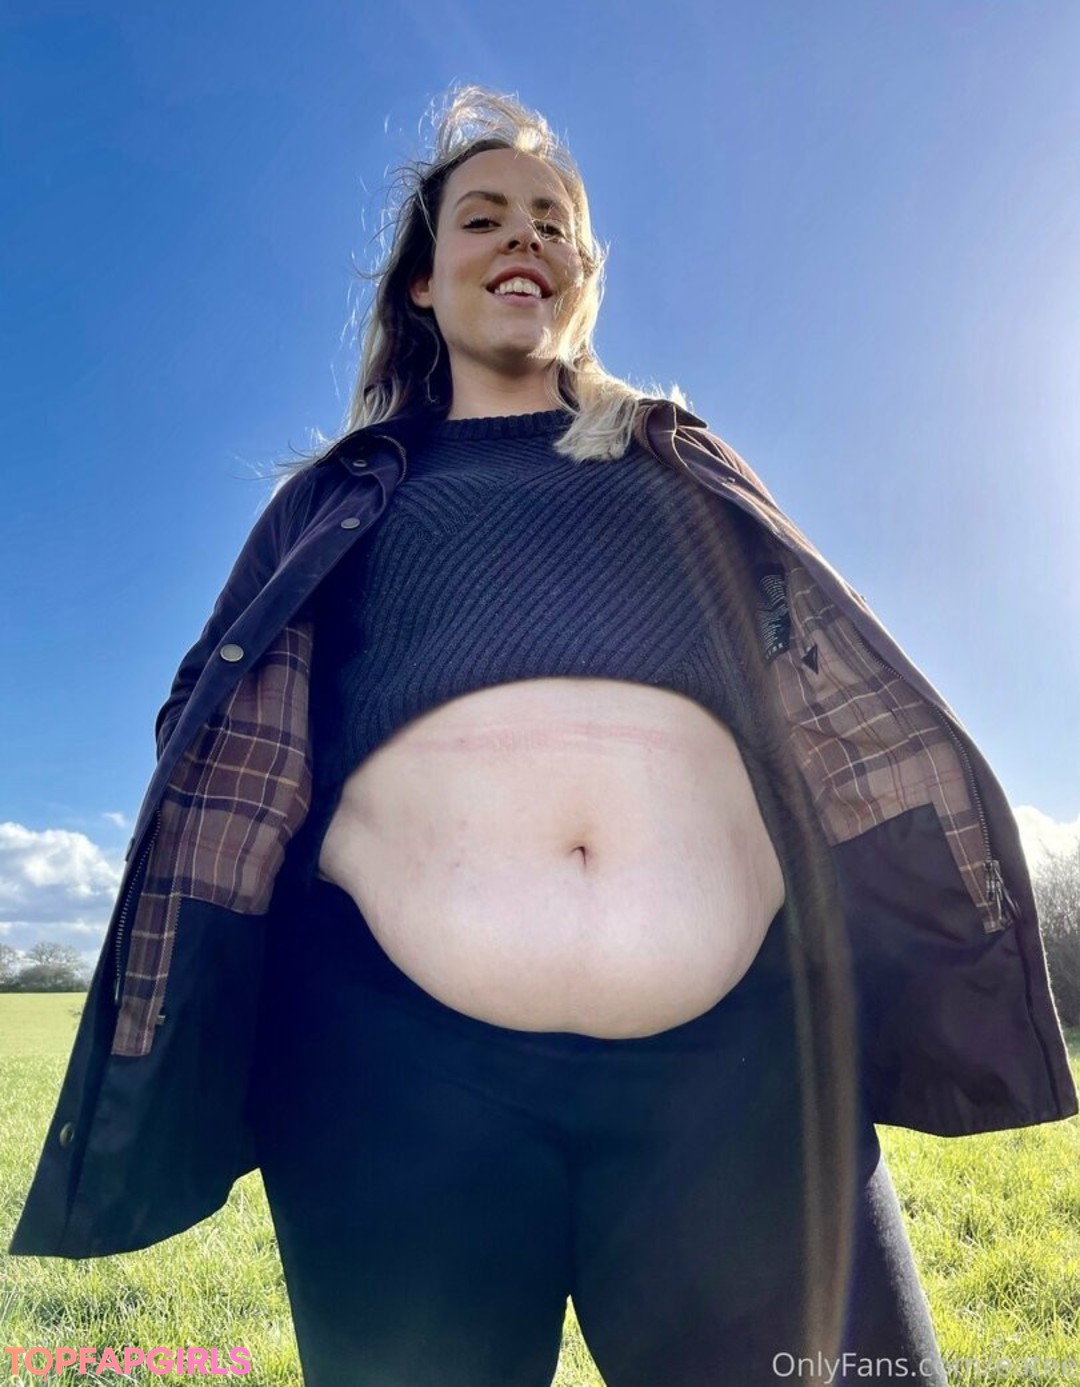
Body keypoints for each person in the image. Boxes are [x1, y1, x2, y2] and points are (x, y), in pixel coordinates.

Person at [9, 85, 1077, 1387]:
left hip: (747, 1070)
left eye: (553, 221)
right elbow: (206, 712)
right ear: (421, 282)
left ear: (582, 275)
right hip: (393, 1078)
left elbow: (813, 693)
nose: (524, 237)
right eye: (484, 217)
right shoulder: (341, 498)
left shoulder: (680, 464)